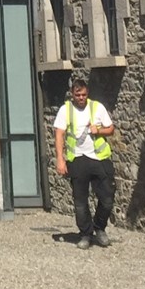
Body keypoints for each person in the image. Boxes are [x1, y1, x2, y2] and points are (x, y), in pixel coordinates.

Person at [53, 79, 116, 247]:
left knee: (107, 198)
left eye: (84, 95)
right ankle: (86, 234)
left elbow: (111, 129)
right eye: (77, 95)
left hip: (99, 158)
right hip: (78, 159)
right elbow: (59, 134)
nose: (81, 98)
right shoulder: (65, 110)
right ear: (72, 95)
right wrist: (60, 159)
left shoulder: (97, 107)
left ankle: (99, 228)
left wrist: (99, 130)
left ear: (88, 94)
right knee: (80, 202)